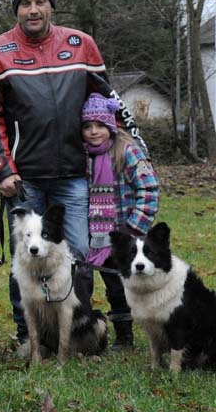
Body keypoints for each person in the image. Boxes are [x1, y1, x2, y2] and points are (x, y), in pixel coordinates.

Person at [0, 0, 143, 354]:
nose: (33, 10)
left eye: (41, 2)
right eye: (26, 3)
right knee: (26, 262)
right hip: (24, 178)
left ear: (51, 6)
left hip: (75, 176)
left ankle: (76, 333)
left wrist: (137, 149)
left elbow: (108, 103)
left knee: (81, 256)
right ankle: (28, 337)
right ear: (16, 9)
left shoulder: (82, 44)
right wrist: (1, 169)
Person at [81, 93, 160, 351]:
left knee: (133, 285)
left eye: (100, 125)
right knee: (112, 285)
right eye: (87, 126)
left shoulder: (127, 150)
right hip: (97, 235)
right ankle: (121, 335)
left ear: (112, 126)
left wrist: (133, 229)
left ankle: (158, 330)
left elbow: (148, 189)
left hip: (126, 232)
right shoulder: (83, 155)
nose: (94, 132)